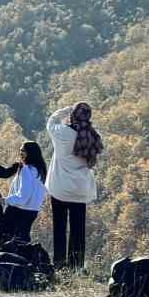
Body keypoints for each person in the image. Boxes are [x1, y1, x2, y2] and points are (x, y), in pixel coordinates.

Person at [45, 102, 103, 270]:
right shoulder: (92, 136)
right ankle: (76, 266)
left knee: (60, 228)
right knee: (78, 230)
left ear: (73, 115)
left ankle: (59, 264)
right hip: (80, 189)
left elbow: (51, 122)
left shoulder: (62, 133)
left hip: (60, 188)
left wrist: (66, 110)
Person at [0, 140, 48, 243]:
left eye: (23, 151)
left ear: (31, 153)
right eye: (20, 150)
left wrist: (5, 200)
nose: (20, 153)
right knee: (23, 242)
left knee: (4, 240)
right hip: (32, 211)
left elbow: (23, 196)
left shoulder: (26, 169)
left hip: (18, 210)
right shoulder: (40, 171)